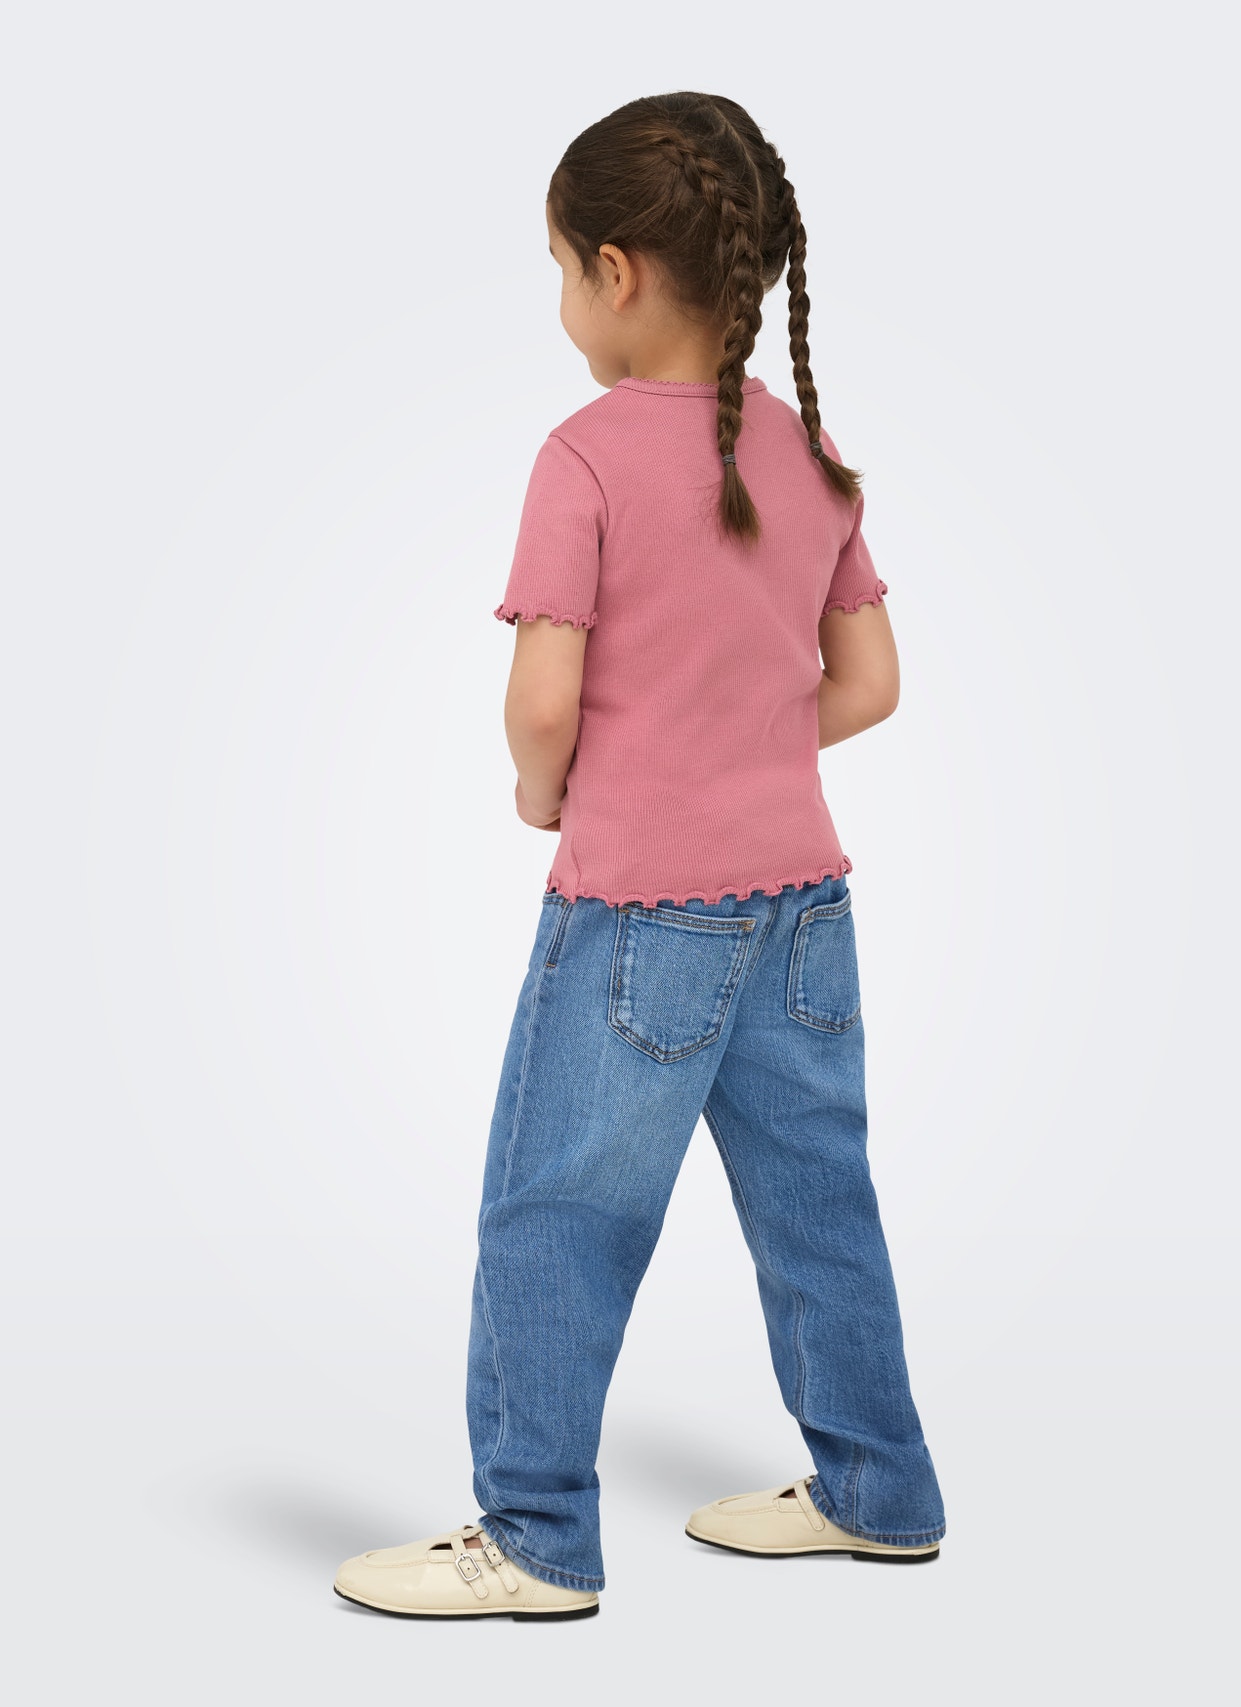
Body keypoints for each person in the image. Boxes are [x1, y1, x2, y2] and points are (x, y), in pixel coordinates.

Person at [334, 90, 945, 1623]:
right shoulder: (806, 451)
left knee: (558, 1212)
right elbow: (870, 683)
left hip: (638, 912)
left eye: (558, 269)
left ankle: (535, 1535)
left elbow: (543, 700)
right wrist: (746, 746)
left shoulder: (586, 457)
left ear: (615, 272)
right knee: (819, 1203)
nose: (560, 300)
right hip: (804, 909)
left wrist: (546, 789)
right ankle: (881, 1490)